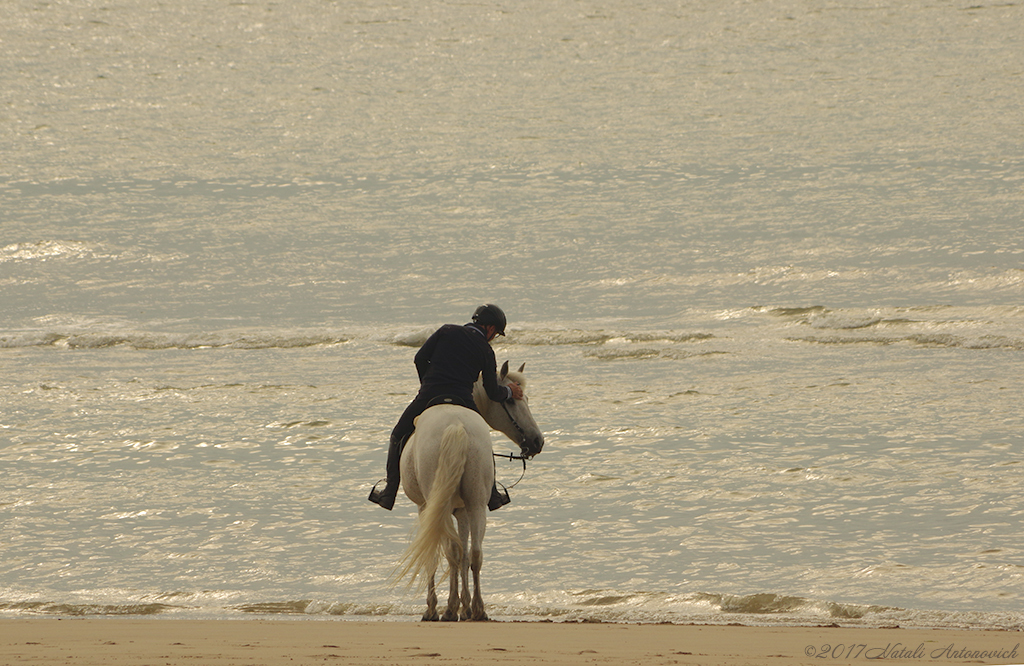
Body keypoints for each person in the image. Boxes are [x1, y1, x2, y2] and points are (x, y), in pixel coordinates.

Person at [368, 304, 524, 511]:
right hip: (463, 399)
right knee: (482, 440)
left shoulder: (446, 331)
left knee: (398, 435)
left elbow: (419, 359)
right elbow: (493, 391)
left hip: (429, 396)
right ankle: (493, 495)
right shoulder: (485, 350)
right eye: (496, 333)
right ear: (490, 328)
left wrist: (428, 384)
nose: (493, 337)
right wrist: (510, 392)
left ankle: (389, 493)